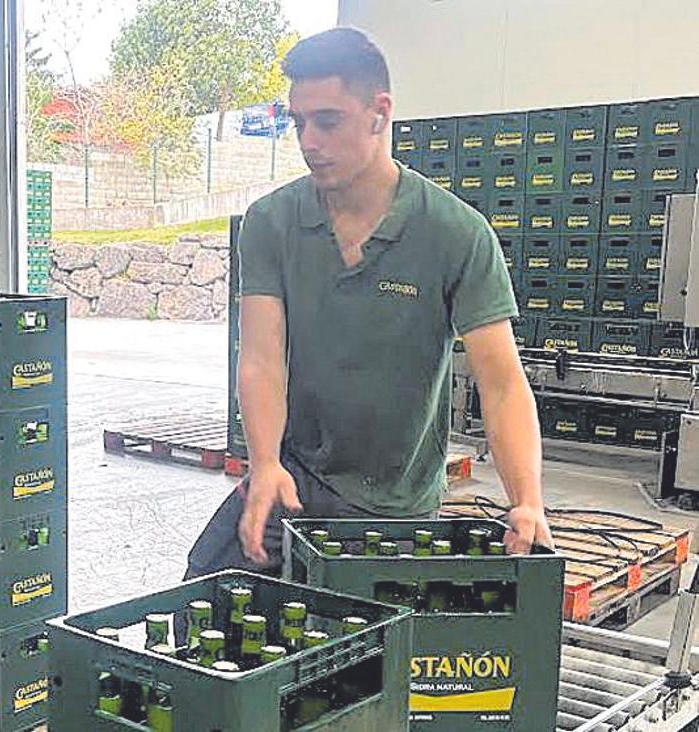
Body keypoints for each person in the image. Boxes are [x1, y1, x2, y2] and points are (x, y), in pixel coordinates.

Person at [185, 27, 554, 579]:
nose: (309, 140)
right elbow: (261, 357)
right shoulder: (271, 223)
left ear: (379, 112)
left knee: (362, 656)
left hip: (396, 502)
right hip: (296, 474)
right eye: (299, 122)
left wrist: (527, 499)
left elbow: (501, 383)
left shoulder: (456, 234)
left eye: (327, 121)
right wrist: (263, 463)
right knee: (204, 595)